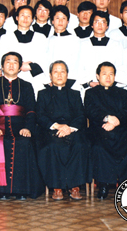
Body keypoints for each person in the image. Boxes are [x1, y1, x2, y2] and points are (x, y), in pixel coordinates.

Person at [0, 52, 44, 200]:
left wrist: (28, 128)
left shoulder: (26, 86)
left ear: (19, 67)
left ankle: (22, 190)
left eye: (15, 62)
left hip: (21, 126)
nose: (11, 65)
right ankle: (2, 190)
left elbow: (31, 110)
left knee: (23, 142)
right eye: (8, 61)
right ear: (2, 66)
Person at [36, 61, 90, 200]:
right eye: (56, 71)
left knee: (79, 145)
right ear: (50, 75)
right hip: (51, 130)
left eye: (62, 72)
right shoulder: (43, 94)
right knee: (53, 146)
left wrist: (69, 128)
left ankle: (75, 186)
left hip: (72, 130)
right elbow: (40, 116)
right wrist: (57, 126)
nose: (59, 75)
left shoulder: (75, 94)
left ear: (67, 75)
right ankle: (57, 187)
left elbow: (81, 115)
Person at [84, 62, 127, 199]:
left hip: (121, 128)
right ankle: (104, 184)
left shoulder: (123, 92)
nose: (108, 77)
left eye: (111, 74)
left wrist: (116, 121)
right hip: (99, 128)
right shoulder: (90, 93)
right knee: (99, 147)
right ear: (97, 76)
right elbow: (91, 111)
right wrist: (107, 118)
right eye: (104, 74)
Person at [0, 5, 49, 93]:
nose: (25, 19)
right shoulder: (6, 38)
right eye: (22, 15)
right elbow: (1, 59)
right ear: (17, 18)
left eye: (28, 16)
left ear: (33, 19)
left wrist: (31, 66)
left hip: (35, 79)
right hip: (12, 79)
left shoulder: (40, 38)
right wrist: (19, 65)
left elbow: (44, 60)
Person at [78, 11, 123, 90]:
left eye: (103, 22)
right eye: (97, 22)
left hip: (110, 88)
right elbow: (79, 67)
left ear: (107, 26)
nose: (100, 25)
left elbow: (120, 67)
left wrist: (109, 83)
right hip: (89, 88)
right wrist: (89, 82)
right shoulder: (83, 44)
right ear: (91, 25)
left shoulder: (116, 45)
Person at [46, 6, 82, 86]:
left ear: (68, 21)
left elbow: (77, 63)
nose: (60, 21)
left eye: (64, 18)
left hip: (70, 82)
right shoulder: (48, 40)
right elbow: (46, 62)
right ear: (52, 21)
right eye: (57, 18)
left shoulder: (75, 40)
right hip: (51, 82)